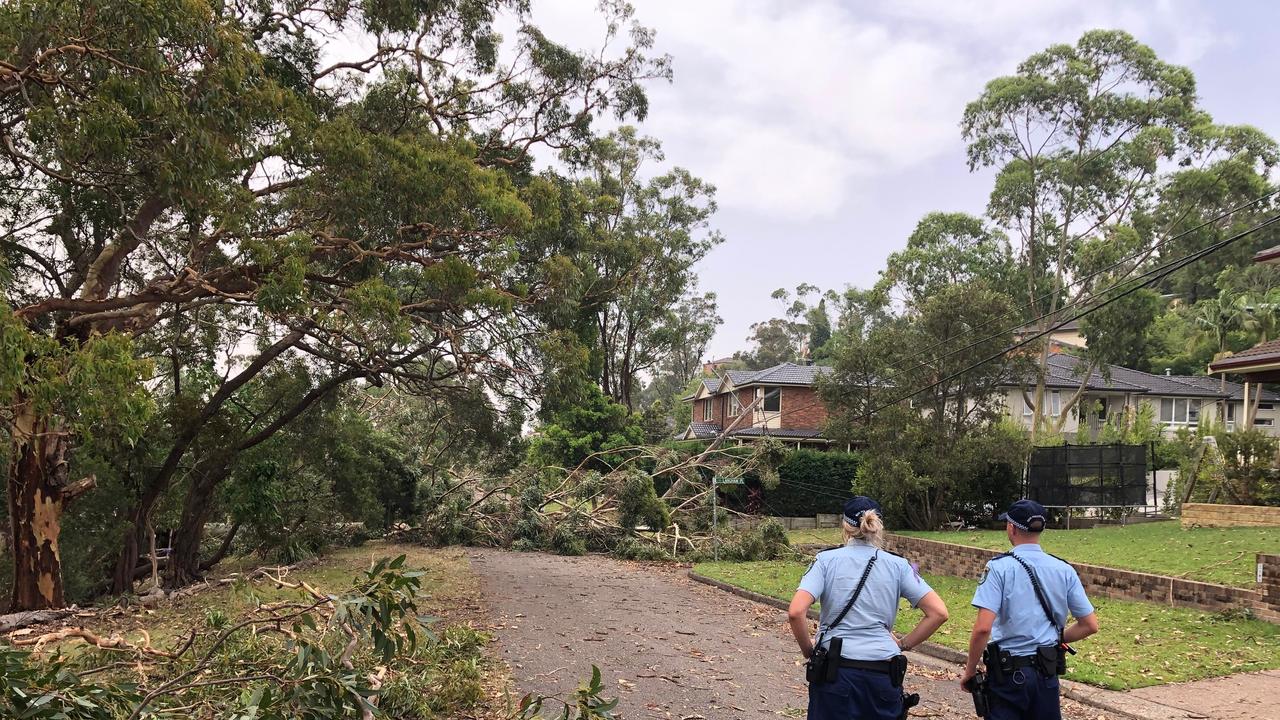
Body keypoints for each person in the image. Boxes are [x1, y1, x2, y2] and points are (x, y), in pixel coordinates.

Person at [788, 496, 949, 720]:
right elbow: (939, 613)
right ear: (878, 527)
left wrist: (809, 650)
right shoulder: (901, 566)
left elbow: (796, 612)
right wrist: (903, 644)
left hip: (836, 673)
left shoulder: (825, 561)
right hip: (883, 675)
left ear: (844, 526)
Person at [960, 499, 1100, 720]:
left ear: (1012, 527)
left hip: (1008, 676)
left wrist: (970, 669)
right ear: (1041, 529)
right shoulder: (1064, 569)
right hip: (1047, 674)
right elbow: (1090, 625)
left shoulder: (998, 568)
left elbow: (982, 629)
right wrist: (1055, 638)